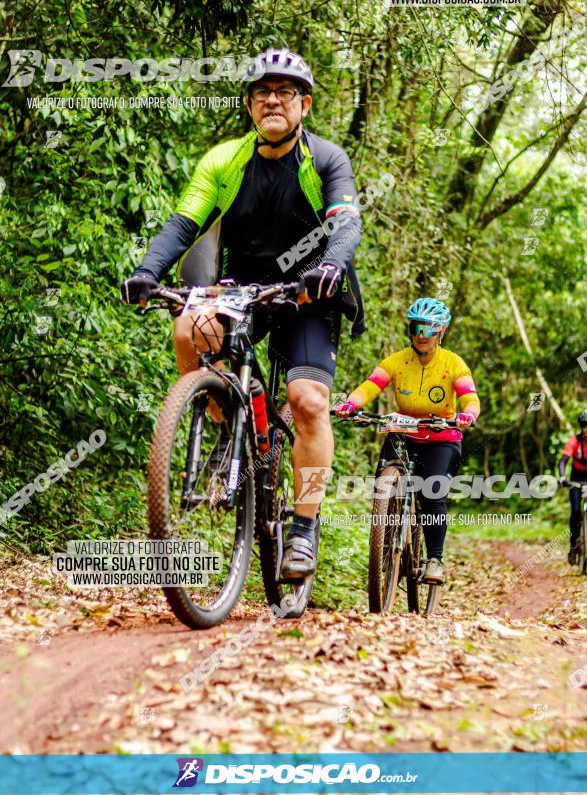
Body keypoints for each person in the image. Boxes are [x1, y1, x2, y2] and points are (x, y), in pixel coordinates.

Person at [120, 47, 365, 582]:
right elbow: (184, 223)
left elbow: (346, 222)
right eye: (260, 93)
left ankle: (304, 526)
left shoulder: (325, 159)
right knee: (187, 328)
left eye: (283, 92)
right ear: (250, 106)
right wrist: (147, 271)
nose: (271, 100)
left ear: (303, 104)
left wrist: (329, 267)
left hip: (307, 293)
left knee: (307, 401)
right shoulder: (224, 159)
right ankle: (225, 420)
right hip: (240, 290)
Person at [334, 297, 480, 585]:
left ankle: (435, 558)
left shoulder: (453, 363)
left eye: (428, 328)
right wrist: (350, 404)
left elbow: (469, 396)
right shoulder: (398, 360)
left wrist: (468, 415)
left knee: (431, 494)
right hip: (403, 430)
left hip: (442, 435)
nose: (421, 335)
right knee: (383, 480)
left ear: (441, 331)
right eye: (416, 327)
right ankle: (386, 532)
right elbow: (371, 385)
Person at [558, 410, 587, 565]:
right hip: (576, 479)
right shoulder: (574, 441)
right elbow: (563, 461)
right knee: (576, 512)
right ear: (581, 427)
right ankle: (574, 546)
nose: (586, 429)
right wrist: (563, 477)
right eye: (584, 426)